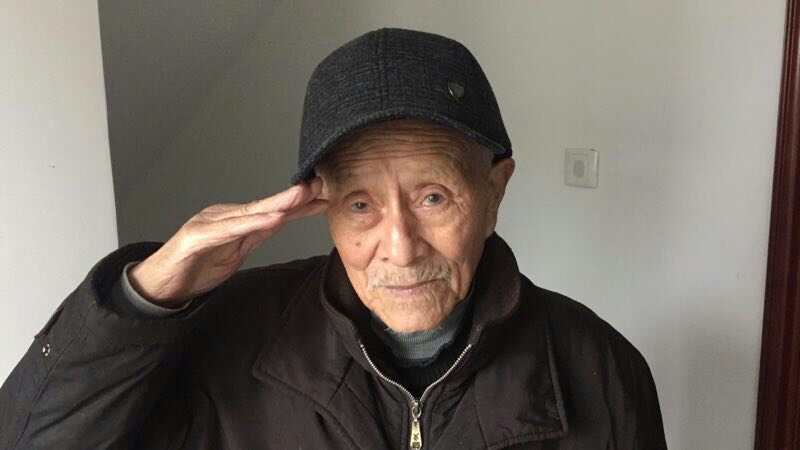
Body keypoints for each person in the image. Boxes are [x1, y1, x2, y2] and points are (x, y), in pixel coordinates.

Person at [0, 27, 667, 449]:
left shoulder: (599, 368)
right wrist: (142, 302)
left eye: (433, 197)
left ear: (495, 190)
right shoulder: (228, 337)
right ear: (321, 206)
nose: (400, 246)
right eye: (360, 204)